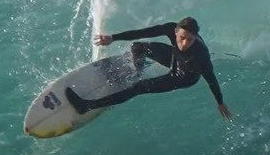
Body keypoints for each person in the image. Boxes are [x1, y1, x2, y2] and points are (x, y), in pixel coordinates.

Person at [68, 17, 233, 120]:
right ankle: (135, 72)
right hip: (175, 58)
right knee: (137, 47)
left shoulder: (201, 56)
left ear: (195, 38)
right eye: (182, 37)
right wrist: (113, 38)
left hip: (183, 75)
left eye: (189, 40)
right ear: (176, 31)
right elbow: (144, 32)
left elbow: (211, 79)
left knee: (138, 88)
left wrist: (220, 102)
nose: (184, 43)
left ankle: (86, 106)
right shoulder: (171, 28)